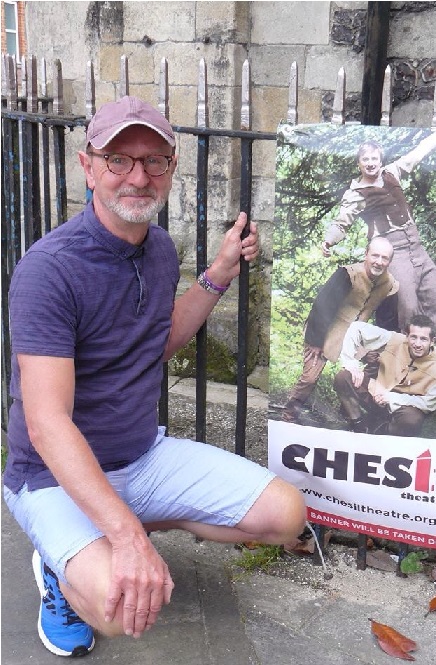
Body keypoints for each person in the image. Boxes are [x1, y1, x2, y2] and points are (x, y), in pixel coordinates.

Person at [3, 95, 306, 657]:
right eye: (119, 160)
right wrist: (125, 538)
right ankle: (59, 563)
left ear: (171, 168)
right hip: (51, 477)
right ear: (87, 166)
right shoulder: (48, 271)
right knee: (119, 613)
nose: (137, 176)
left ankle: (114, 529)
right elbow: (46, 424)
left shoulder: (160, 249)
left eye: (154, 161)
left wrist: (217, 273)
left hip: (141, 457)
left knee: (285, 515)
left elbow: (156, 344)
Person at [321, 132, 436, 351]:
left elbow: (417, 154)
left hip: (417, 248)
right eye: (366, 159)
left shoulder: (392, 172)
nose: (371, 164)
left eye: (374, 159)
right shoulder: (356, 193)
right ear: (359, 163)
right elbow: (342, 222)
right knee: (409, 307)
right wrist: (328, 241)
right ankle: (408, 357)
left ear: (381, 160)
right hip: (395, 253)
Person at [282, 236, 398, 424]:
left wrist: (377, 349)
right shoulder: (348, 274)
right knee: (310, 378)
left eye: (384, 258)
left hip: (359, 336)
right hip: (327, 330)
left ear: (390, 261)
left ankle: (348, 415)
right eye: (375, 255)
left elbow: (387, 319)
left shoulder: (390, 284)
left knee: (356, 376)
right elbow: (322, 306)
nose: (379, 262)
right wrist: (316, 341)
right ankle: (289, 414)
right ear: (366, 255)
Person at [334, 315, 436, 436]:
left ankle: (380, 434)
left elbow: (428, 404)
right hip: (376, 391)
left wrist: (391, 398)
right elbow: (356, 328)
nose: (417, 344)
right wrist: (350, 364)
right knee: (344, 378)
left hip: (402, 407)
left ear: (433, 341)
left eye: (423, 339)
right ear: (407, 336)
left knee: (411, 420)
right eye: (413, 337)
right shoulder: (394, 340)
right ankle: (358, 424)